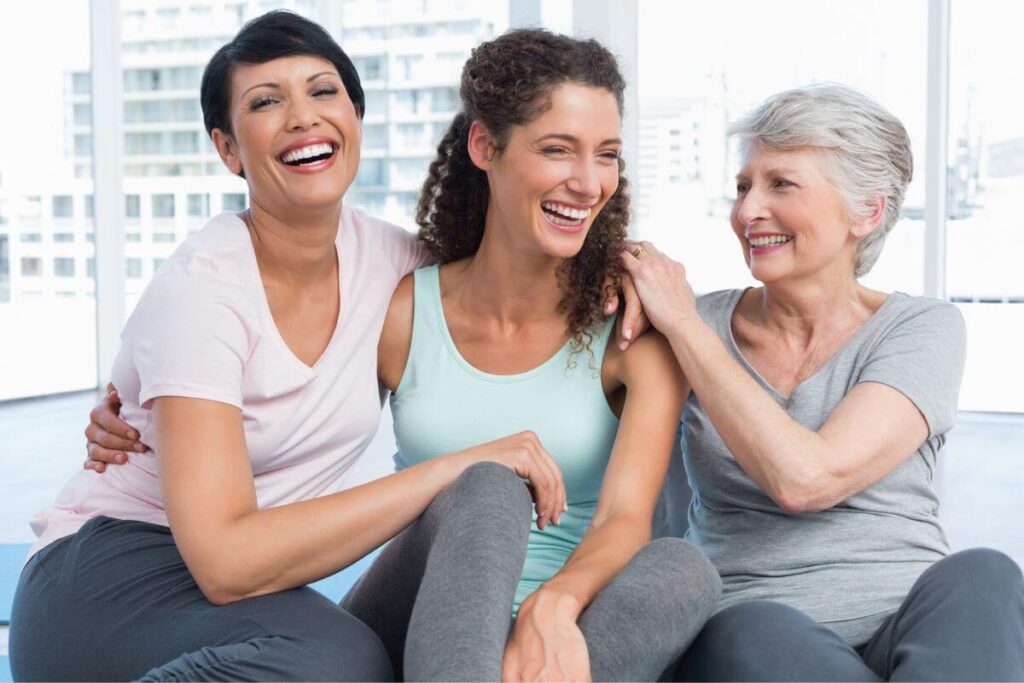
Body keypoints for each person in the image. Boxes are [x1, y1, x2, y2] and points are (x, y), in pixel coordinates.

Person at [39, 16, 721, 683]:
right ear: (227, 149)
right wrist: (125, 407)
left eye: (324, 91)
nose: (303, 117)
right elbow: (224, 554)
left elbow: (508, 268)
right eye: (267, 101)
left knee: (679, 568)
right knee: (473, 501)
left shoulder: (395, 269)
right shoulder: (238, 293)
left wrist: (636, 267)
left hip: (324, 603)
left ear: (356, 119)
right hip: (145, 570)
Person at [619, 84, 1024, 681]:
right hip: (754, 636)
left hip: (904, 625)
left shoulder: (921, 327)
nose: (747, 210)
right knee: (753, 627)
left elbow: (809, 478)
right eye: (742, 186)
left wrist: (681, 324)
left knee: (985, 575)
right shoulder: (690, 325)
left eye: (781, 184)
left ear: (868, 211)